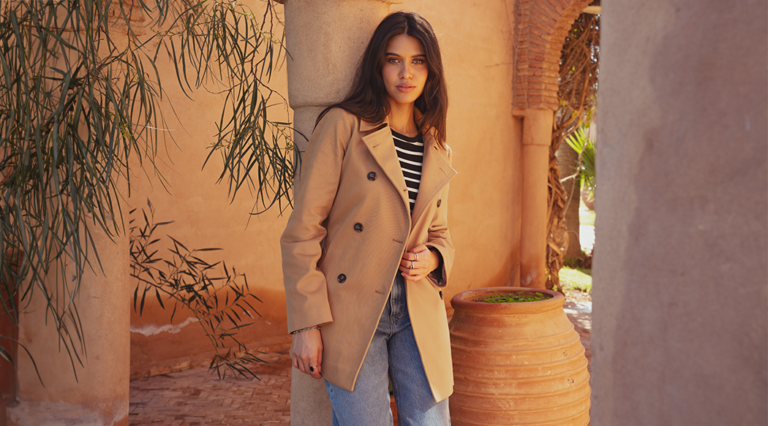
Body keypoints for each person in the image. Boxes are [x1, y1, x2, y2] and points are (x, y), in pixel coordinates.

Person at [281, 11, 456, 426]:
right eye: (394, 59)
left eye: (418, 61)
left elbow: (442, 232)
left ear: (431, 71)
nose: (405, 72)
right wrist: (306, 325)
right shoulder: (344, 126)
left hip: (417, 310)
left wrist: (433, 257)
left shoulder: (438, 147)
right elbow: (302, 231)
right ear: (378, 65)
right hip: (352, 308)